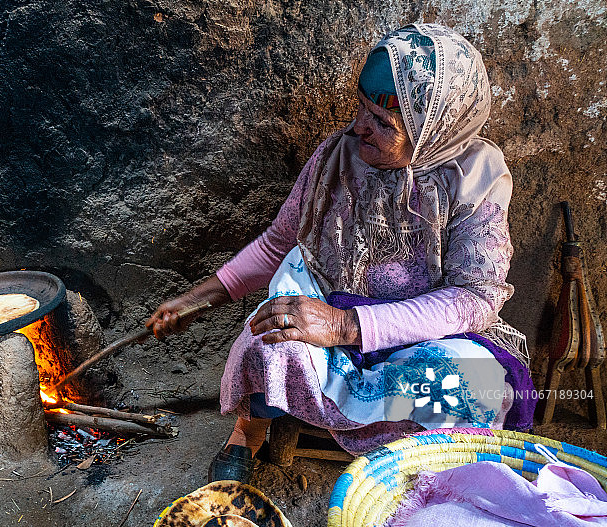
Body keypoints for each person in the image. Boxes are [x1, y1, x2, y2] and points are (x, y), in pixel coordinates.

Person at [146, 23, 535, 483]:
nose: (357, 127)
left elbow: (475, 298)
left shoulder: (475, 179)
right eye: (360, 108)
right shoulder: (337, 156)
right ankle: (248, 431)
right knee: (265, 342)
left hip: (422, 334)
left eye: (382, 123)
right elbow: (279, 243)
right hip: (328, 305)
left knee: (472, 388)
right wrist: (199, 298)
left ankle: (418, 468)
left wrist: (347, 326)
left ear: (433, 131)